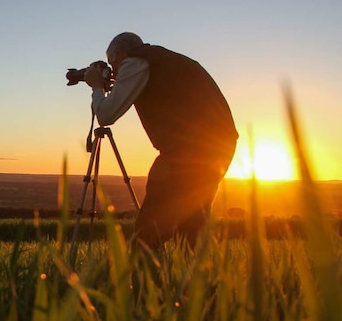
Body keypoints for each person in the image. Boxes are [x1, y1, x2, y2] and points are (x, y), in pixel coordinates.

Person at [84, 32, 238, 249]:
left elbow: (106, 115)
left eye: (112, 64)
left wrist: (97, 88)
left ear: (120, 54)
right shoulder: (163, 60)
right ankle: (192, 280)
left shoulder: (136, 62)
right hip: (218, 147)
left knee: (150, 230)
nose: (115, 71)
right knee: (191, 225)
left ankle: (143, 277)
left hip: (187, 151)